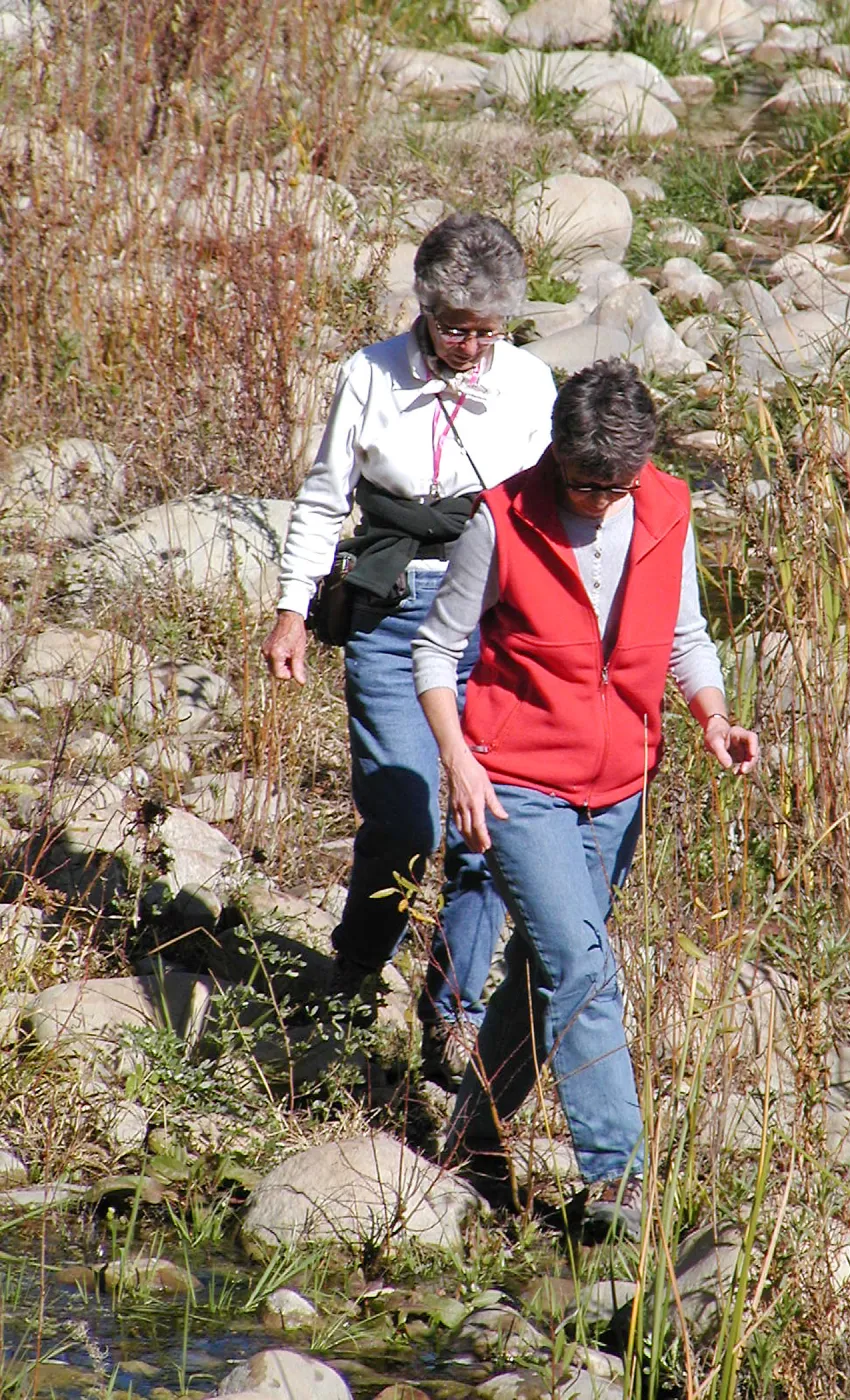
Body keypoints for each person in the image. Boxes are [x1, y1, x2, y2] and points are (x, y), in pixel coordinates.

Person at [412, 358, 759, 1239]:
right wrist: (459, 762)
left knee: (545, 968)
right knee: (584, 967)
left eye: (617, 485)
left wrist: (712, 718)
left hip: (620, 786)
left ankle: (474, 1136)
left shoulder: (668, 510)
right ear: (555, 455)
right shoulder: (500, 520)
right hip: (517, 778)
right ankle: (617, 1176)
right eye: (584, 483)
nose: (600, 501)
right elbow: (433, 651)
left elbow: (686, 634)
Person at [262, 213, 558, 1088]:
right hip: (390, 611)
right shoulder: (368, 374)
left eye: (488, 332)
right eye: (455, 328)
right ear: (423, 308)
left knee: (483, 831)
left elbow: (548, 521)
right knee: (403, 816)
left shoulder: (531, 384)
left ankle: (455, 1012)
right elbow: (325, 498)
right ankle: (354, 965)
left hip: (493, 621)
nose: (471, 347)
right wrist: (289, 611)